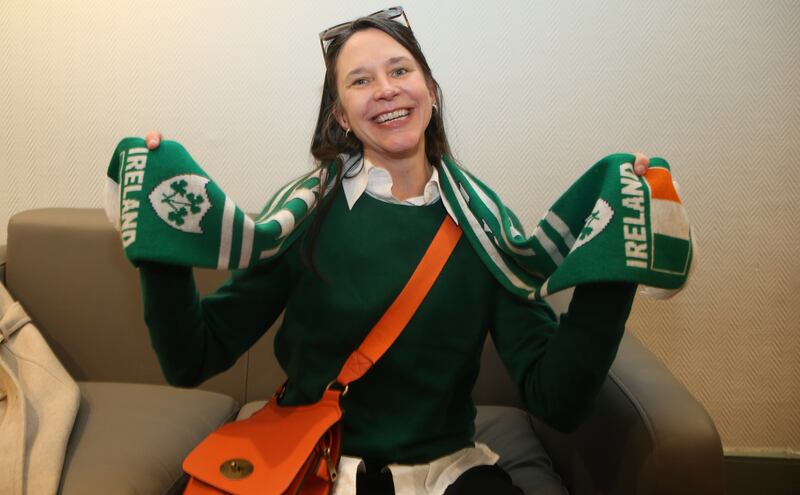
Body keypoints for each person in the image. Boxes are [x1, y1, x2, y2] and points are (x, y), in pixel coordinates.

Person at [139, 7, 652, 495]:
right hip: (318, 463)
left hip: (448, 472)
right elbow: (192, 359)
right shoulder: (303, 217)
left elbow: (556, 400)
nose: (385, 90)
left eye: (399, 70)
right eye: (360, 80)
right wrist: (160, 241)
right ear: (341, 114)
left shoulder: (486, 226)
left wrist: (611, 271)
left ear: (429, 89)